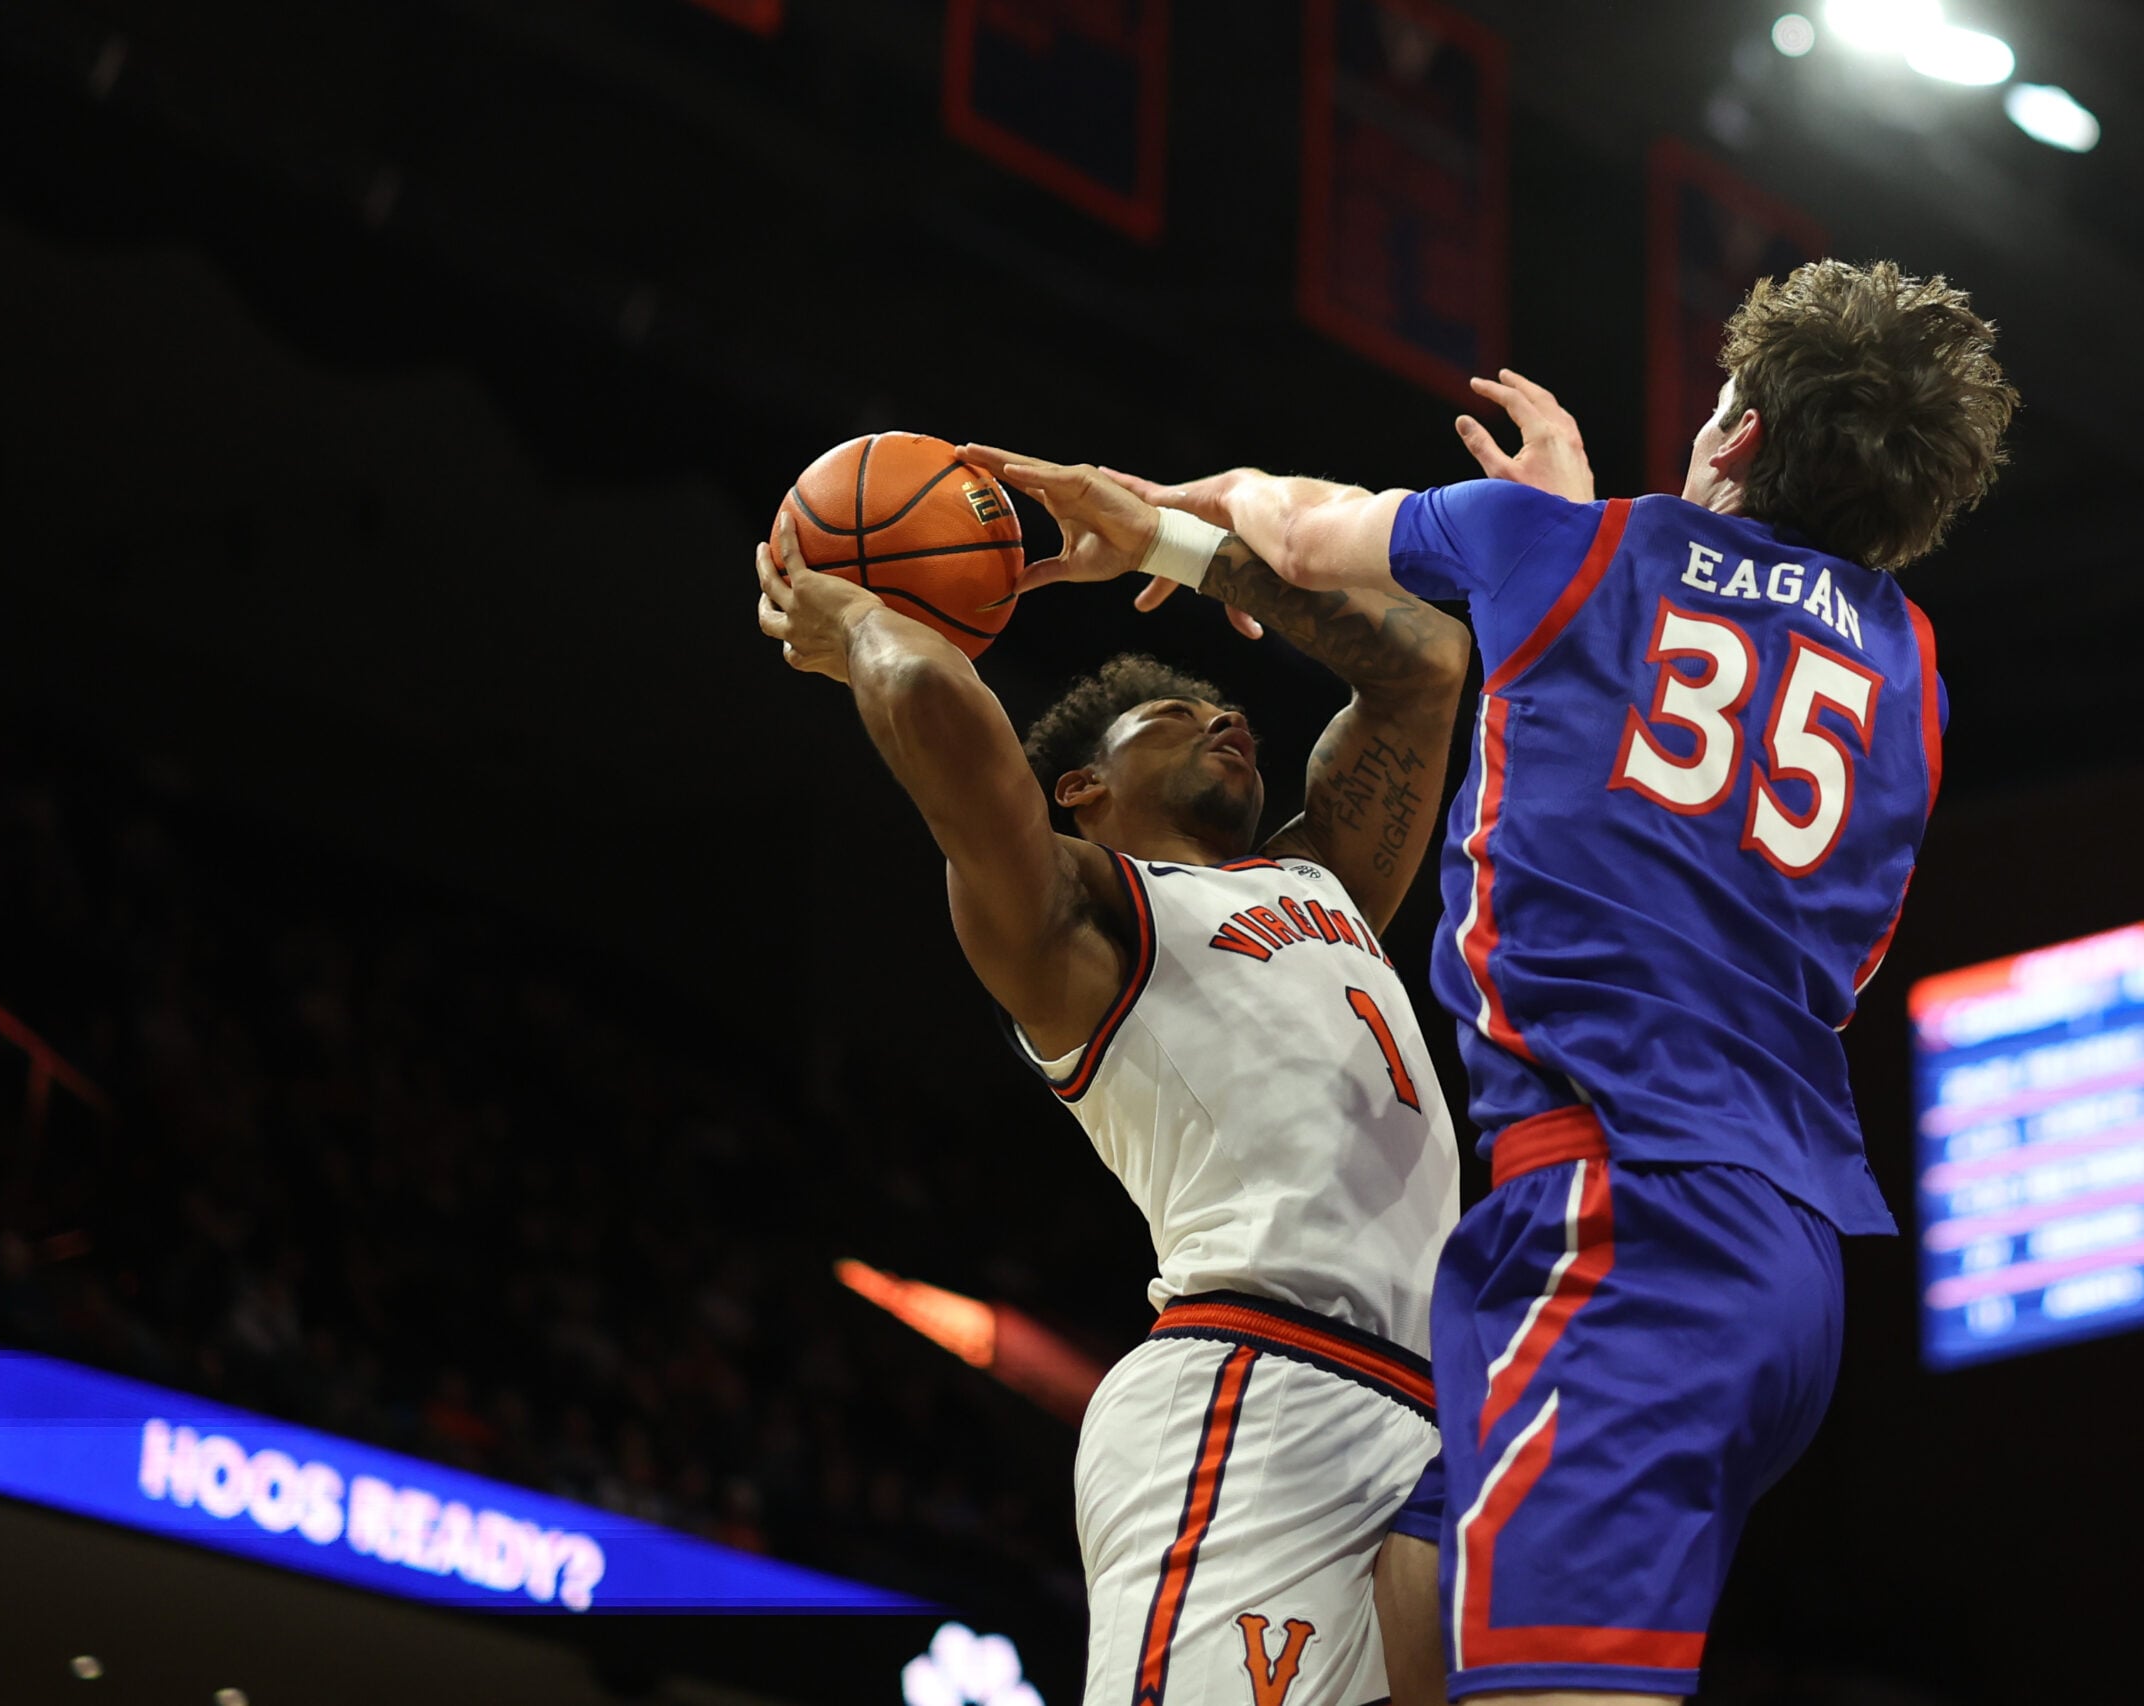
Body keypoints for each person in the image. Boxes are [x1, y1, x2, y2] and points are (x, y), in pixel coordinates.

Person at [1018, 259, 2015, 1704]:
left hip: (1622, 1213)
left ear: (1732, 436)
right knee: (1411, 1640)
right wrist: (1569, 535)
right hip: (1787, 1253)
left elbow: (1291, 528)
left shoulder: (1566, 551)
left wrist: (1156, 530)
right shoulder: (1912, 669)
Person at [754, 469, 1472, 1706]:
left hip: (1433, 1425)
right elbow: (938, 705)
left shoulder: (1323, 880)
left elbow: (1425, 660)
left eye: (1221, 702)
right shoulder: (1079, 918)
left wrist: (1185, 547)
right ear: (1081, 787)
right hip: (1258, 1385)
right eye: (1173, 713)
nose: (1221, 714)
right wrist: (860, 620)